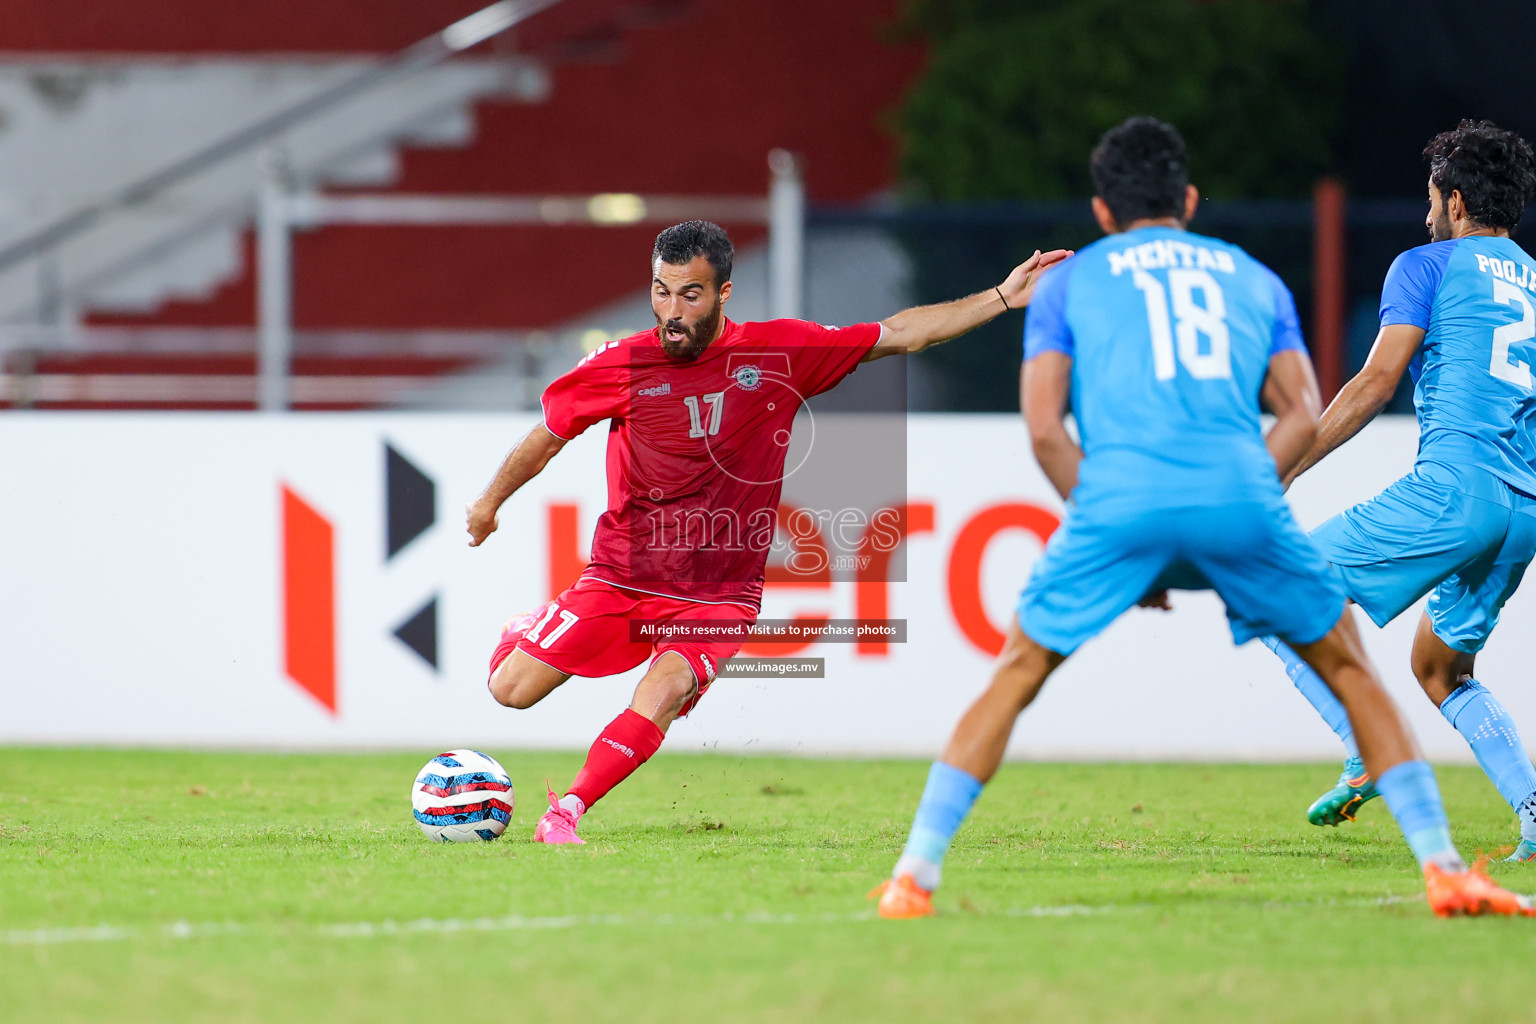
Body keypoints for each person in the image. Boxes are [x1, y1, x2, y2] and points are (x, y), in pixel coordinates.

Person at [873, 117, 1534, 920]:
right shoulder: (1252, 276)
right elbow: (1295, 407)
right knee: (1383, 671)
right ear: (1188, 198)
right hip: (1423, 501)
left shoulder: (1075, 282)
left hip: (1147, 500)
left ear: (1103, 211)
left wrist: (1119, 522)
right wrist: (1256, 489)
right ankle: (1451, 864)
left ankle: (914, 875)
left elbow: (1046, 427)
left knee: (1017, 674)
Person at [465, 219, 1071, 844]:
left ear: (724, 293)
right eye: (661, 291)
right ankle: (527, 631)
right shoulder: (622, 364)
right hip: (624, 574)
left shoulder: (778, 353)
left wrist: (1001, 296)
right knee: (511, 691)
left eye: (690, 295)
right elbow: (547, 435)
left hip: (721, 592)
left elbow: (899, 334)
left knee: (666, 689)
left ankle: (567, 810)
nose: (672, 311)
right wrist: (489, 504)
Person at [1261, 119, 1536, 862]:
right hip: (1523, 510)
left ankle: (1365, 749)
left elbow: (1374, 382)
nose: (1425, 214)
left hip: (1459, 488)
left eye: (1429, 199)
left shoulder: (1428, 265)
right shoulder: (1535, 282)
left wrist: (1282, 467)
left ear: (1452, 201)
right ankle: (1534, 808)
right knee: (1440, 668)